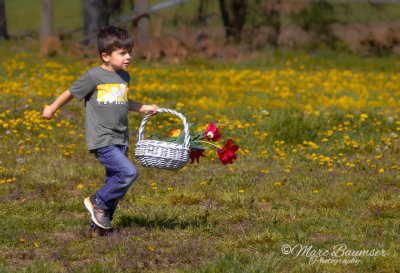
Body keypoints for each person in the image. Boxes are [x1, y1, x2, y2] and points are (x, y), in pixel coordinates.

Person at [42, 26, 159, 237]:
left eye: (129, 52)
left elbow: (123, 101)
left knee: (114, 183)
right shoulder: (93, 76)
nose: (129, 57)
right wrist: (52, 108)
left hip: (121, 138)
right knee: (128, 173)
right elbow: (71, 92)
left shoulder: (124, 76)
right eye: (122, 53)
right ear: (105, 56)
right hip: (102, 139)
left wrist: (143, 108)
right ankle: (98, 201)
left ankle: (101, 228)